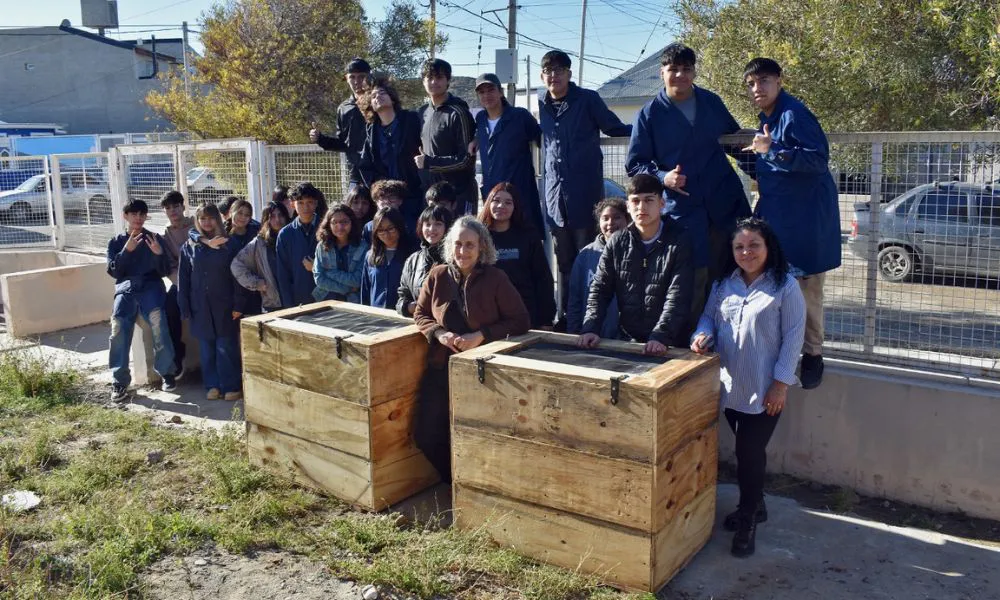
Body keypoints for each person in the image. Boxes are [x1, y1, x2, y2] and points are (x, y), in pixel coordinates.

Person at [690, 217, 805, 558]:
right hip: (729, 386)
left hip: (765, 388)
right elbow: (709, 317)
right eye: (739, 246)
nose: (746, 252)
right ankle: (757, 504)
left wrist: (780, 385)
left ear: (768, 247)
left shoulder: (785, 286)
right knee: (748, 453)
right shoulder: (724, 284)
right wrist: (701, 334)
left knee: (748, 453)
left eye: (754, 245)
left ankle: (748, 519)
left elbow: (794, 338)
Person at [626, 43, 753, 323]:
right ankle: (691, 344)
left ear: (694, 72)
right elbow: (635, 164)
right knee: (691, 283)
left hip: (725, 205)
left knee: (731, 276)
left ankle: (729, 340)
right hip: (684, 212)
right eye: (673, 69)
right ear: (661, 73)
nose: (680, 75)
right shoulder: (649, 114)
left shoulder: (711, 102)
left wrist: (764, 172)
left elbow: (734, 142)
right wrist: (663, 177)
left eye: (686, 69)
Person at [742, 57, 840, 389]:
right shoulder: (766, 119)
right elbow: (771, 169)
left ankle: (812, 355)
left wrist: (773, 148)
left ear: (779, 81)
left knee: (808, 292)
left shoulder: (794, 114)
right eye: (751, 84)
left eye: (764, 80)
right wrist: (748, 155)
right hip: (779, 221)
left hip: (805, 221)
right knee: (780, 291)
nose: (757, 88)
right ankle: (783, 354)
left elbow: (817, 159)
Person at [413, 216, 531, 480]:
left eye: (470, 245)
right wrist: (439, 333)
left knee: (478, 436)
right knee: (427, 434)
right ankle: (453, 483)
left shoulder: (496, 278)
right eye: (458, 244)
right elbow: (420, 313)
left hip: (483, 375)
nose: (463, 251)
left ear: (482, 248)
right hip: (441, 368)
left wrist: (481, 335)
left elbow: (521, 320)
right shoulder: (437, 275)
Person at [537, 50, 632, 324]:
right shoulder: (542, 104)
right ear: (542, 76)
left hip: (584, 198)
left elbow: (613, 127)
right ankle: (570, 319)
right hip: (556, 202)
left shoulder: (587, 99)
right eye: (548, 71)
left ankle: (597, 320)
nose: (553, 76)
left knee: (591, 261)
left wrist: (646, 129)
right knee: (565, 266)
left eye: (559, 70)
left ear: (569, 74)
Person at [579, 174, 693, 353]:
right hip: (628, 340)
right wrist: (590, 328)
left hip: (670, 342)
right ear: (627, 206)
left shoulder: (679, 241)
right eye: (635, 201)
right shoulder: (617, 241)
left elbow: (678, 295)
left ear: (661, 203)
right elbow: (600, 288)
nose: (641, 207)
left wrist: (661, 335)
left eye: (649, 200)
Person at [106, 200, 177, 401]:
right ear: (125, 216)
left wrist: (159, 254)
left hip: (150, 288)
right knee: (118, 329)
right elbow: (114, 271)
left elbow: (164, 270)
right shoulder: (116, 242)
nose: (138, 218)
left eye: (142, 214)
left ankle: (167, 373)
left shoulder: (154, 238)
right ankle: (119, 381)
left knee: (158, 323)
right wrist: (126, 251)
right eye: (133, 214)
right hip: (126, 290)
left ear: (146, 217)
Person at [179, 204, 242, 401]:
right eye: (202, 218)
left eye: (210, 218)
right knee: (207, 349)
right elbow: (184, 279)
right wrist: (185, 306)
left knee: (226, 347)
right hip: (200, 307)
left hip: (225, 305)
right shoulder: (189, 246)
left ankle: (231, 386)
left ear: (218, 219)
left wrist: (238, 304)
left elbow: (238, 277)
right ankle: (212, 385)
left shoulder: (229, 244)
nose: (206, 222)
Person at [477, 182, 556, 329]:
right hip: (489, 315)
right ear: (488, 203)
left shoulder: (528, 236)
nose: (501, 206)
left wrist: (546, 319)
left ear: (516, 207)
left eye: (508, 202)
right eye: (496, 200)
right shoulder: (478, 236)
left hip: (525, 313)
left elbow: (542, 278)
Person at [473, 73, 544, 232]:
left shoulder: (520, 116)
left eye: (491, 90)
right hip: (492, 194)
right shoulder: (480, 119)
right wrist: (475, 139)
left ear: (500, 92)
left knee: (524, 236)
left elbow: (542, 141)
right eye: (482, 92)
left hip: (519, 192)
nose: (486, 95)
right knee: (495, 238)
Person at [356, 78, 424, 226]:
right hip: (386, 199)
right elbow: (365, 166)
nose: (377, 97)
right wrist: (380, 190)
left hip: (413, 193)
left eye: (382, 93)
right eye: (373, 96)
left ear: (392, 99)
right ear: (371, 105)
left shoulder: (410, 120)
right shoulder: (372, 132)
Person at [416, 59, 477, 214]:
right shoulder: (422, 112)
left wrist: (429, 162)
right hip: (431, 195)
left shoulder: (458, 113)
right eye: (429, 77)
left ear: (448, 80)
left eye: (439, 77)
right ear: (423, 81)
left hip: (459, 194)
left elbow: (466, 160)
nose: (434, 82)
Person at [566, 197, 630, 338]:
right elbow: (575, 300)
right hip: (592, 338)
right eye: (605, 218)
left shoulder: (636, 252)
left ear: (627, 220)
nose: (610, 223)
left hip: (628, 341)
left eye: (617, 217)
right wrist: (574, 334)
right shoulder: (585, 255)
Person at [310, 57, 371, 187]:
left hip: (382, 172)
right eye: (352, 77)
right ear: (346, 79)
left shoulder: (379, 102)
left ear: (369, 76)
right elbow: (343, 143)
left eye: (361, 76)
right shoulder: (344, 108)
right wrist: (320, 138)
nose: (357, 81)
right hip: (356, 175)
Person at [231, 201, 290, 313]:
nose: (277, 220)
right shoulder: (259, 242)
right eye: (272, 216)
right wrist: (256, 283)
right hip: (273, 303)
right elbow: (237, 265)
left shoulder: (294, 237)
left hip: (297, 298)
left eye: (280, 215)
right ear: (266, 219)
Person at [397, 204, 453, 317]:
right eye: (427, 224)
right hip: (418, 322)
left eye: (438, 224)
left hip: (448, 324)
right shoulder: (413, 260)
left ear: (448, 228)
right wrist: (408, 307)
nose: (431, 229)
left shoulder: (455, 258)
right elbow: (402, 297)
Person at [159, 190, 193, 379]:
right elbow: (170, 266)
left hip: (205, 280)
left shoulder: (196, 224)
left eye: (176, 206)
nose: (172, 211)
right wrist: (181, 285)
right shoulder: (165, 235)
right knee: (169, 308)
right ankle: (177, 357)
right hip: (180, 282)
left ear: (183, 206)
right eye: (168, 208)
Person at [276, 182, 324, 307]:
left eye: (310, 202)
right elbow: (283, 274)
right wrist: (288, 306)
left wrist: (316, 267)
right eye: (301, 203)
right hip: (298, 299)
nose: (305, 207)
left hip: (326, 297)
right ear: (292, 204)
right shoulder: (285, 234)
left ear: (316, 203)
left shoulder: (327, 228)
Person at [360, 206, 416, 309]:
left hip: (402, 313)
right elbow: (365, 290)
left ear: (399, 227)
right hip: (376, 313)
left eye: (391, 229)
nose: (386, 234)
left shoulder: (412, 255)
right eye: (380, 230)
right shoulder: (370, 255)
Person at [313, 203, 368, 302]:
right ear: (328, 224)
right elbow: (319, 279)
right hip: (325, 299)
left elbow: (357, 280)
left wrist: (330, 273)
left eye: (344, 222)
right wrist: (347, 289)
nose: (340, 226)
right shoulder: (322, 246)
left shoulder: (362, 247)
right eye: (334, 222)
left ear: (352, 222)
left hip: (353, 301)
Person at [224, 198, 262, 317]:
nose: (243, 217)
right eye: (240, 213)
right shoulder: (222, 235)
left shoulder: (257, 233)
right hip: (232, 293)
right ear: (231, 212)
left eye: (247, 215)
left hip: (256, 290)